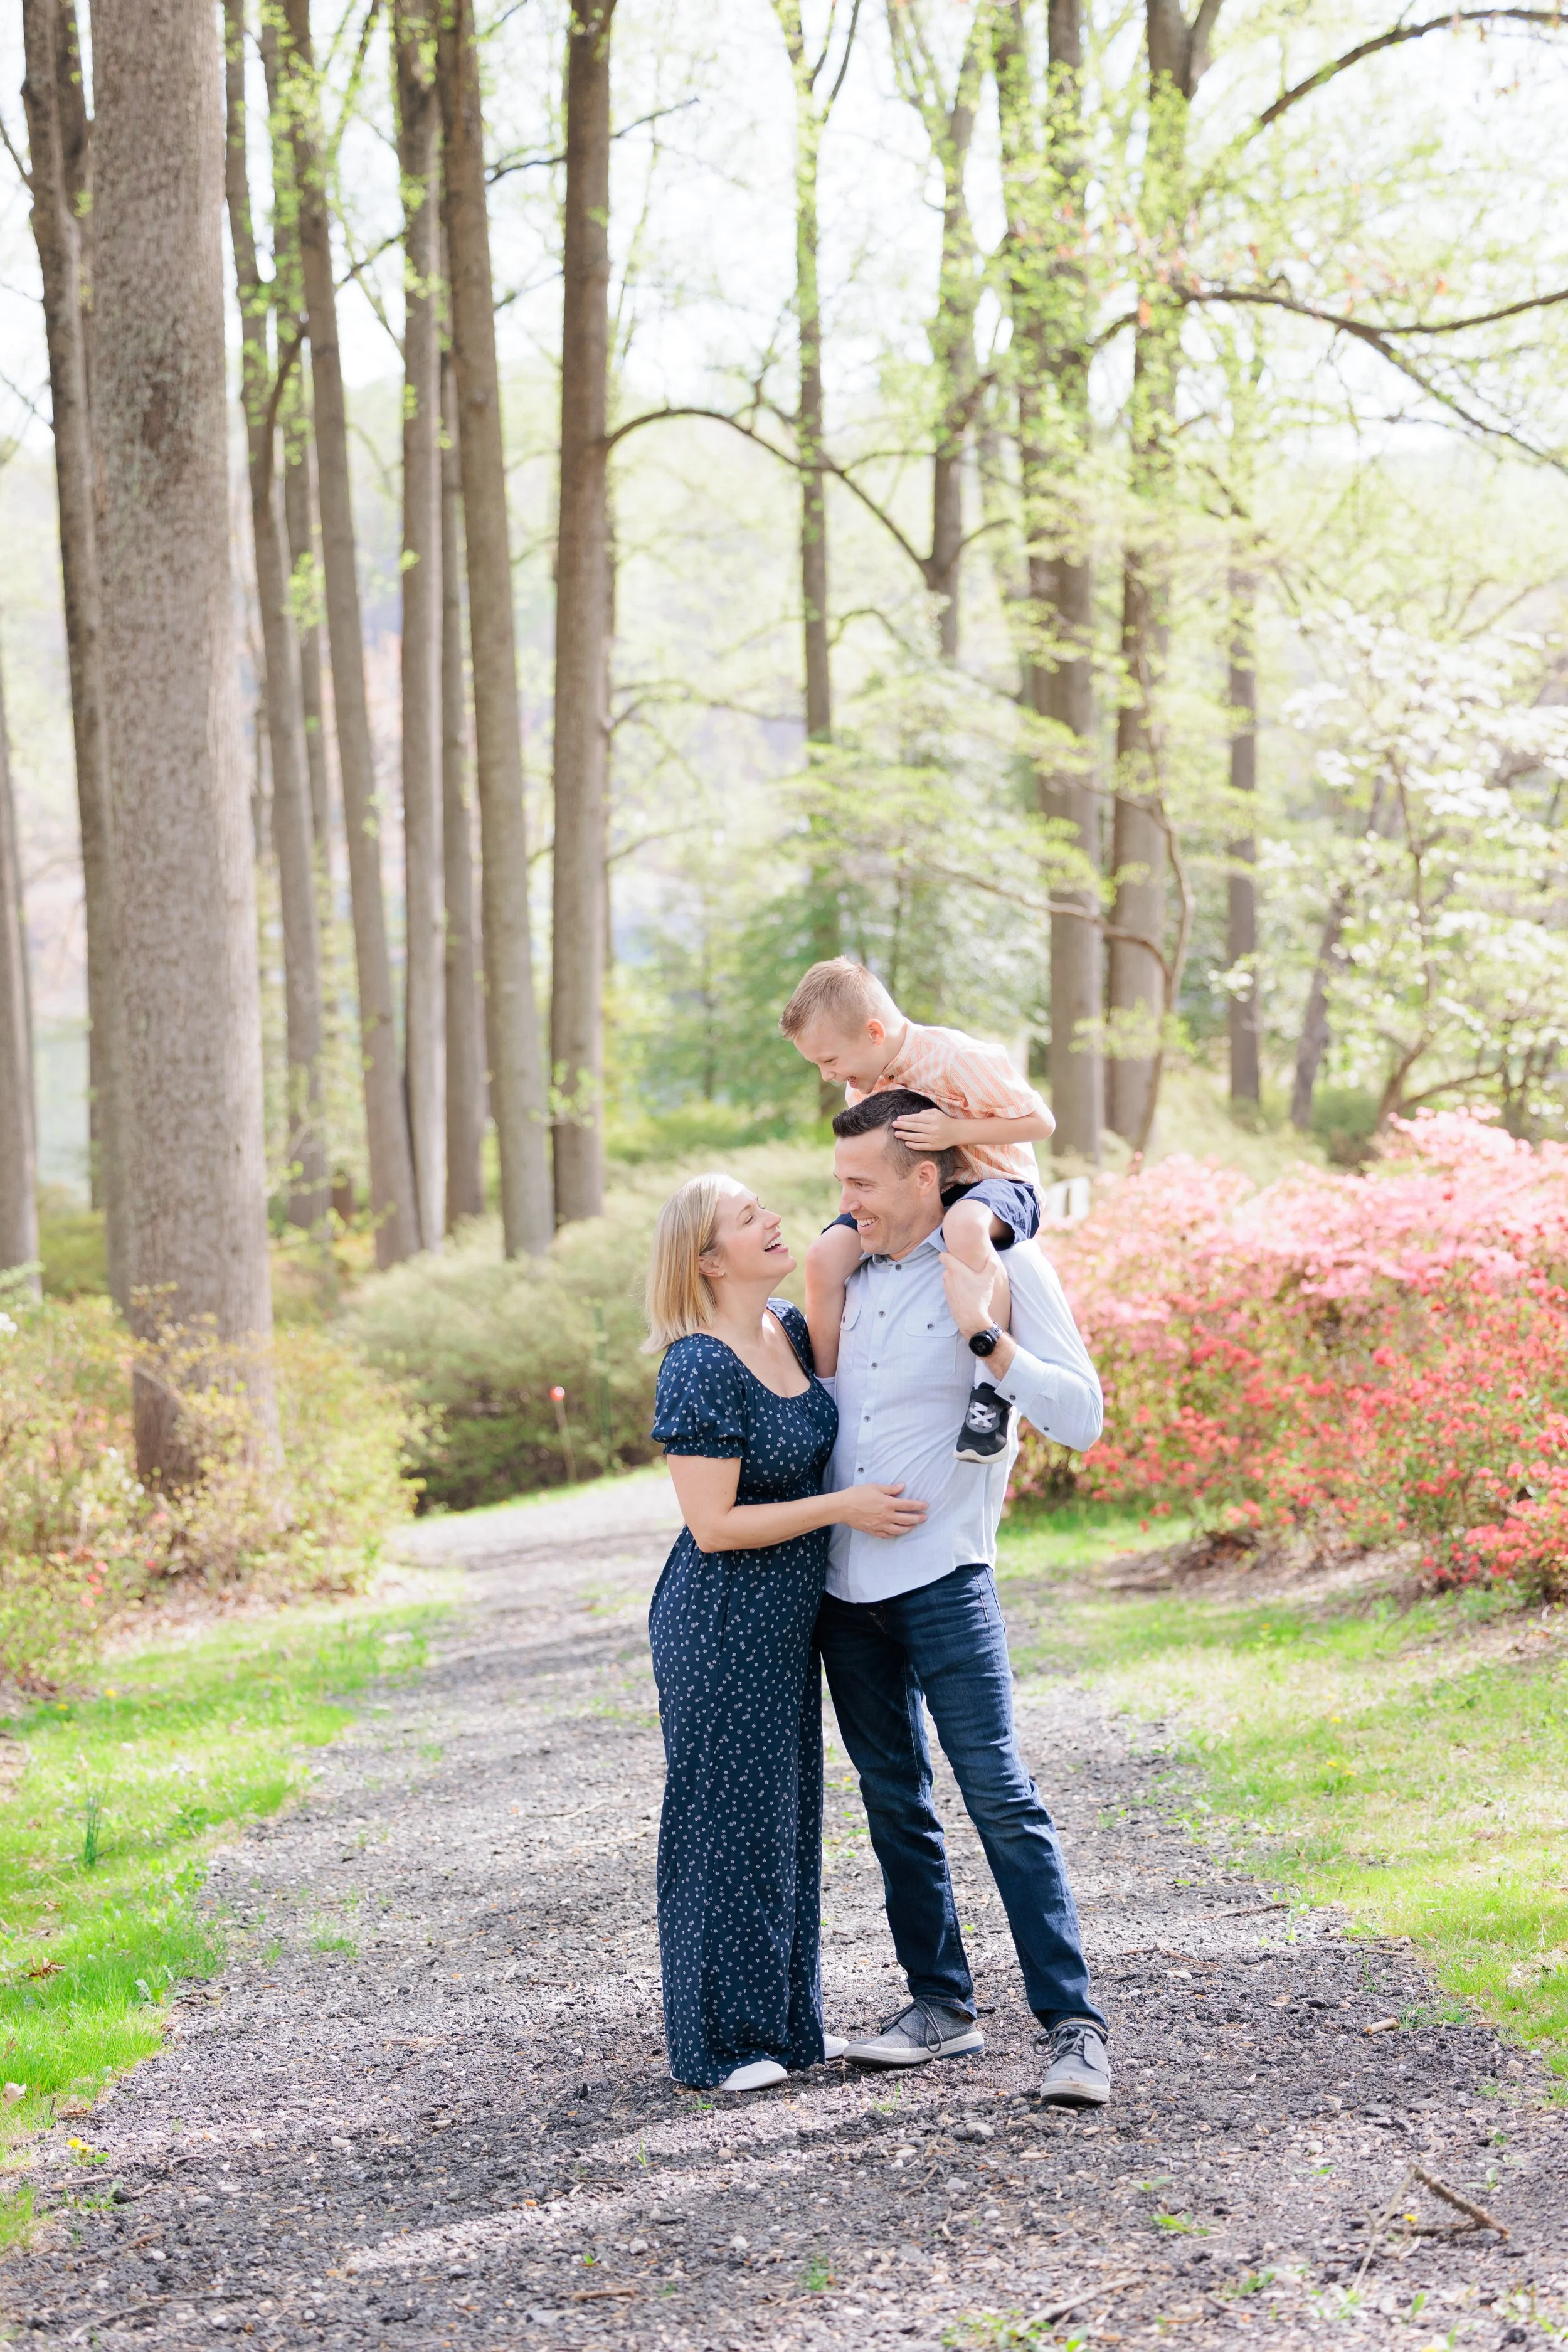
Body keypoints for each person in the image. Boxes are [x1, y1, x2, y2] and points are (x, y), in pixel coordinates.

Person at [813, 1089, 1113, 2107]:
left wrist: (986, 1336)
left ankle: (1074, 2029)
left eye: (861, 1182)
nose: (844, 1200)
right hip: (843, 1592)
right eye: (839, 1180)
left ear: (925, 1176)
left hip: (947, 1578)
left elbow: (1082, 1417)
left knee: (998, 1797)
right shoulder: (843, 1272)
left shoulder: (1002, 1263)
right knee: (893, 1800)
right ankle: (940, 2007)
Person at [644, 1173, 930, 2094]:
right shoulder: (696, 1362)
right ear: (707, 1257)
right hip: (721, 1617)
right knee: (722, 1822)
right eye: (746, 1217)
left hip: (789, 1621)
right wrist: (843, 1506)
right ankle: (721, 2045)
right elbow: (713, 1525)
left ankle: (783, 2026)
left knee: (783, 1821)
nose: (772, 1219)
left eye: (768, 1208)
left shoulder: (789, 1332)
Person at [780, 957, 1056, 1465]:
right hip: (925, 1194)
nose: (828, 1075)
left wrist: (956, 1133)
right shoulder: (865, 1079)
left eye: (830, 1060)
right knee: (823, 1256)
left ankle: (989, 1396)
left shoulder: (956, 1058)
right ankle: (826, 1394)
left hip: (996, 1184)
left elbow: (1040, 1121)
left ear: (874, 1031)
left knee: (964, 1226)